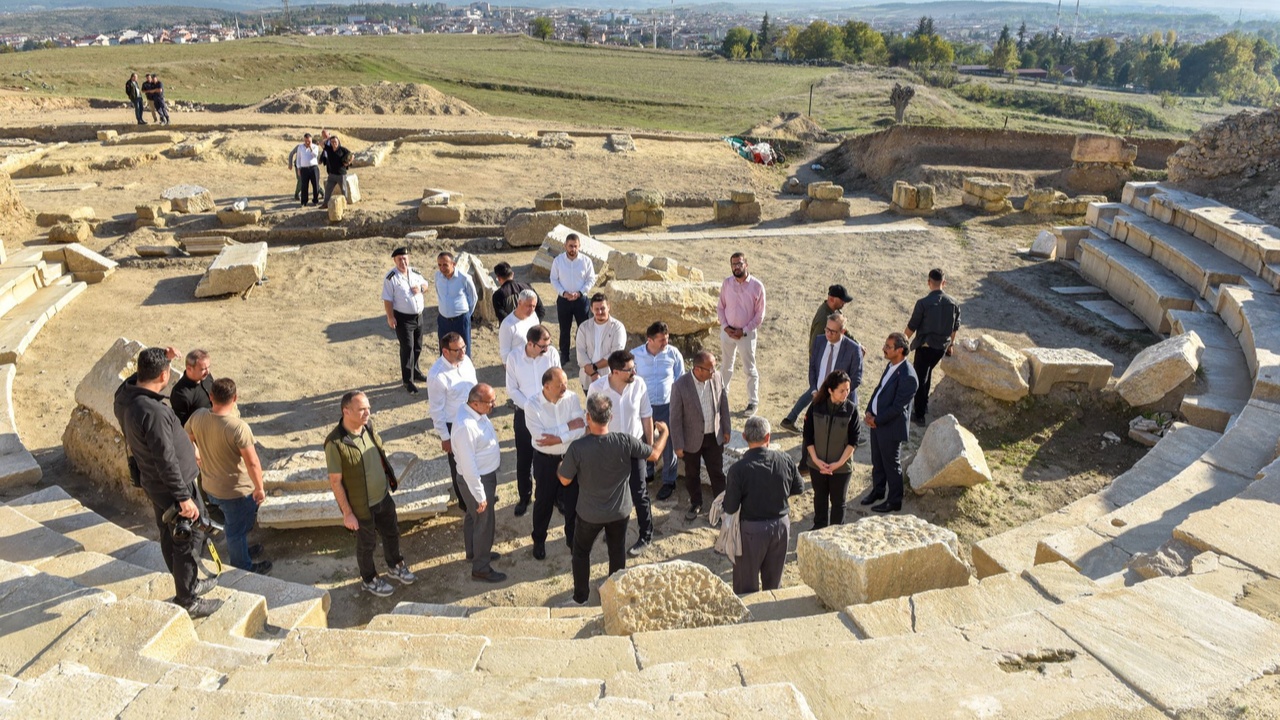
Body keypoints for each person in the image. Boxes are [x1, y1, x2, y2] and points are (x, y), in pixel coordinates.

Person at [114, 347, 221, 618]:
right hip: (173, 486)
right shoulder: (155, 413)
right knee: (189, 535)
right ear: (163, 375)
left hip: (153, 482)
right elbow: (166, 459)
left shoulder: (125, 397)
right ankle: (188, 599)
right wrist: (184, 497)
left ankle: (187, 581)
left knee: (167, 531)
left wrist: (163, 357)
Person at [558, 393, 668, 606]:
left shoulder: (578, 448)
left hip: (589, 514)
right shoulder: (625, 441)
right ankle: (615, 596)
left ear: (588, 417)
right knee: (617, 551)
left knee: (581, 552)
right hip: (620, 512)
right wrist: (665, 433)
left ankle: (580, 598)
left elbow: (564, 480)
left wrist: (559, 468)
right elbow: (654, 455)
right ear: (610, 417)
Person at [325, 391, 416, 597]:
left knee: (392, 532)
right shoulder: (335, 443)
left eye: (368, 408)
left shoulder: (368, 426)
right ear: (346, 411)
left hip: (383, 497)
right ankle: (369, 579)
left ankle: (395, 565)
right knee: (367, 544)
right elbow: (335, 481)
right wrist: (347, 513)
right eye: (361, 409)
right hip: (362, 506)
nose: (367, 413)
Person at [184, 378, 271, 574]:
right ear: (235, 398)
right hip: (236, 492)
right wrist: (259, 488)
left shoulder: (198, 417)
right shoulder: (238, 427)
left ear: (211, 396)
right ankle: (242, 566)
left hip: (210, 486)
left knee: (236, 525)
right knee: (236, 530)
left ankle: (242, 552)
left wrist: (195, 451)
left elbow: (186, 437)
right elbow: (253, 462)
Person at [723, 416, 803, 595]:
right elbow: (799, 487)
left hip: (751, 531)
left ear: (744, 437)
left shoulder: (738, 470)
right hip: (781, 526)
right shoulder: (785, 459)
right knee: (774, 584)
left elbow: (730, 507)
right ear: (768, 437)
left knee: (746, 585)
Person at [588, 349, 654, 557]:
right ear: (615, 371)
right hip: (607, 448)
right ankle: (613, 529)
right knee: (612, 493)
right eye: (629, 369)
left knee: (639, 493)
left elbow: (646, 416)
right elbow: (590, 421)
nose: (634, 372)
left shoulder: (639, 384)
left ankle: (646, 535)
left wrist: (649, 447)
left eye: (634, 367)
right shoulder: (596, 388)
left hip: (634, 446)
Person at [526, 367, 585, 559]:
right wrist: (568, 427)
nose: (565, 388)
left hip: (570, 458)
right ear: (546, 386)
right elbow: (541, 437)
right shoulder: (532, 405)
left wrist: (558, 436)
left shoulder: (572, 398)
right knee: (543, 501)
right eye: (560, 385)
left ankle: (572, 539)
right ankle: (539, 540)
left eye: (566, 383)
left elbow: (581, 428)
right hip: (545, 461)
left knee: (572, 501)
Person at [505, 324, 561, 517]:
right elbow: (512, 389)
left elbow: (558, 379)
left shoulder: (551, 353)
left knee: (551, 456)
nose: (547, 349)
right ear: (530, 343)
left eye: (548, 345)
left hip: (550, 412)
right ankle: (524, 496)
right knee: (524, 458)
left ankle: (553, 496)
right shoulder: (513, 358)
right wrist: (531, 407)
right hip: (524, 414)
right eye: (543, 346)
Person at [452, 384, 505, 583]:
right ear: (475, 403)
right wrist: (480, 495)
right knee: (485, 522)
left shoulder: (473, 412)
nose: (494, 404)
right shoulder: (466, 427)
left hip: (481, 477)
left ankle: (473, 551)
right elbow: (468, 466)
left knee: (473, 517)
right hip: (477, 480)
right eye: (490, 402)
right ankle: (481, 567)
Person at [781, 285, 855, 430]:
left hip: (826, 359)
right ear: (832, 299)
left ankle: (790, 419)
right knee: (818, 390)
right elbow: (816, 344)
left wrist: (857, 345)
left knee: (816, 390)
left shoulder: (833, 312)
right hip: (822, 361)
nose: (844, 303)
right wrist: (818, 365)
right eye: (842, 300)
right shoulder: (824, 318)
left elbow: (844, 332)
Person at [669, 351, 731, 521]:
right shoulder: (680, 386)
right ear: (698, 369)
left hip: (713, 436)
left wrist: (726, 429)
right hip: (691, 440)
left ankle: (722, 504)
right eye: (710, 369)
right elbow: (675, 418)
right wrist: (678, 444)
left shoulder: (717, 377)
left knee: (717, 472)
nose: (714, 372)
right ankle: (696, 502)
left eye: (714, 367)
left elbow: (723, 403)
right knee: (692, 473)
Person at [863, 333, 920, 513]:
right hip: (877, 423)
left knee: (891, 465)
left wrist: (876, 420)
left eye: (888, 346)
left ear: (900, 350)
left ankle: (894, 501)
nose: (884, 349)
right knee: (877, 461)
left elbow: (897, 408)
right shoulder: (891, 365)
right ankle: (878, 491)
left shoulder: (908, 376)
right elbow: (879, 389)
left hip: (890, 427)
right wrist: (868, 410)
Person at [631, 321, 684, 498]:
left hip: (667, 405)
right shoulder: (635, 355)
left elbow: (680, 379)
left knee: (668, 443)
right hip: (643, 407)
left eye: (666, 339)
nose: (665, 343)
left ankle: (669, 481)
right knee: (644, 439)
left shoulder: (673, 354)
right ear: (650, 339)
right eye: (661, 340)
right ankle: (647, 473)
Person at [803, 370, 860, 530]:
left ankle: (836, 533)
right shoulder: (816, 406)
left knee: (838, 503)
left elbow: (854, 441)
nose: (846, 394)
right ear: (830, 390)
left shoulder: (851, 410)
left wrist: (838, 464)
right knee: (820, 498)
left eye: (848, 390)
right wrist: (816, 460)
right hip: (817, 465)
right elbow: (807, 435)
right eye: (842, 390)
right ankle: (819, 529)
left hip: (841, 468)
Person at [427, 332, 477, 510]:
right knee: (459, 466)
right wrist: (445, 437)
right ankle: (466, 502)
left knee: (476, 459)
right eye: (457, 350)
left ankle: (479, 494)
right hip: (454, 425)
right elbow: (436, 410)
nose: (463, 352)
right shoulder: (437, 376)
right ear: (445, 352)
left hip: (474, 418)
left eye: (464, 347)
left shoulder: (466, 361)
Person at [904, 268, 961, 426]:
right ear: (944, 283)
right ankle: (924, 404)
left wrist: (902, 341)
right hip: (940, 348)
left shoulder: (923, 303)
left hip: (925, 346)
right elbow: (955, 328)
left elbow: (912, 326)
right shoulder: (954, 303)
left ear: (929, 282)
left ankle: (920, 414)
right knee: (927, 374)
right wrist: (950, 344)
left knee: (920, 379)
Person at [717, 251, 766, 414]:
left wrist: (743, 331)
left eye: (739, 263)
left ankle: (753, 402)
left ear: (746, 264)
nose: (736, 267)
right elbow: (720, 307)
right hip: (727, 332)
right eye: (734, 264)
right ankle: (721, 399)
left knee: (749, 368)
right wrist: (725, 326)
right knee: (726, 367)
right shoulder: (727, 283)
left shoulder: (757, 286)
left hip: (746, 334)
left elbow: (760, 315)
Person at [382, 247, 430, 394]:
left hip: (418, 316)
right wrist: (390, 317)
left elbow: (426, 284)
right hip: (403, 318)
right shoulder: (391, 277)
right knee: (407, 348)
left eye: (405, 258)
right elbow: (387, 299)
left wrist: (421, 288)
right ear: (395, 261)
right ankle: (407, 380)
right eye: (399, 259)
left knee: (418, 346)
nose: (403, 262)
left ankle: (415, 371)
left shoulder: (415, 272)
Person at [550, 234, 597, 362]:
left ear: (579, 246)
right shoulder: (558, 261)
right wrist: (563, 292)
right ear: (565, 245)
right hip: (564, 300)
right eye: (570, 246)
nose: (573, 249)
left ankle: (585, 355)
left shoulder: (586, 261)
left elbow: (591, 279)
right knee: (564, 329)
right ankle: (564, 356)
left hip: (581, 300)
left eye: (575, 246)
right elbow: (553, 279)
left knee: (584, 328)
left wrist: (580, 292)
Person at [575, 293, 625, 390]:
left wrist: (594, 368)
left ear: (608, 307)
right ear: (591, 309)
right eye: (596, 309)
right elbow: (580, 351)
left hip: (610, 377)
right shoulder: (584, 327)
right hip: (587, 377)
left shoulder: (618, 327)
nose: (600, 311)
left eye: (603, 308)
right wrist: (592, 372)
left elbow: (615, 354)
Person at [435, 252, 478, 357]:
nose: (442, 268)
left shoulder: (464, 278)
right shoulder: (437, 276)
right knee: (444, 350)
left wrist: (466, 315)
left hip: (460, 320)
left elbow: (473, 298)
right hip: (443, 321)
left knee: (463, 351)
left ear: (453, 264)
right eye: (439, 265)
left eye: (445, 264)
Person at [171, 349, 214, 427]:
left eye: (208, 367)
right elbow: (181, 426)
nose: (207, 372)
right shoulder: (180, 394)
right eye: (203, 369)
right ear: (189, 369)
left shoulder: (206, 377)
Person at [497, 289, 540, 363]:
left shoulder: (534, 316)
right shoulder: (507, 325)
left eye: (534, 306)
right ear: (519, 302)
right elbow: (505, 355)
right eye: (529, 306)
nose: (531, 309)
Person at [318, 134, 352, 209]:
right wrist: (329, 138)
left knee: (343, 190)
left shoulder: (342, 149)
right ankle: (325, 204)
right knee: (328, 190)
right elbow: (320, 143)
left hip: (341, 174)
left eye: (335, 142)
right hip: (332, 175)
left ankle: (344, 205)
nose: (334, 143)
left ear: (338, 142)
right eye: (332, 142)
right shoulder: (328, 149)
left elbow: (351, 155)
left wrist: (348, 162)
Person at [292, 133, 321, 207]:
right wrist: (298, 168)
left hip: (313, 168)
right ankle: (304, 201)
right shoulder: (300, 147)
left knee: (315, 185)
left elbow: (315, 155)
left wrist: (310, 147)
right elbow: (298, 158)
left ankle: (315, 200)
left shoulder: (315, 147)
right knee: (304, 186)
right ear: (304, 140)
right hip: (304, 169)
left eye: (309, 141)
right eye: (306, 141)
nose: (307, 143)